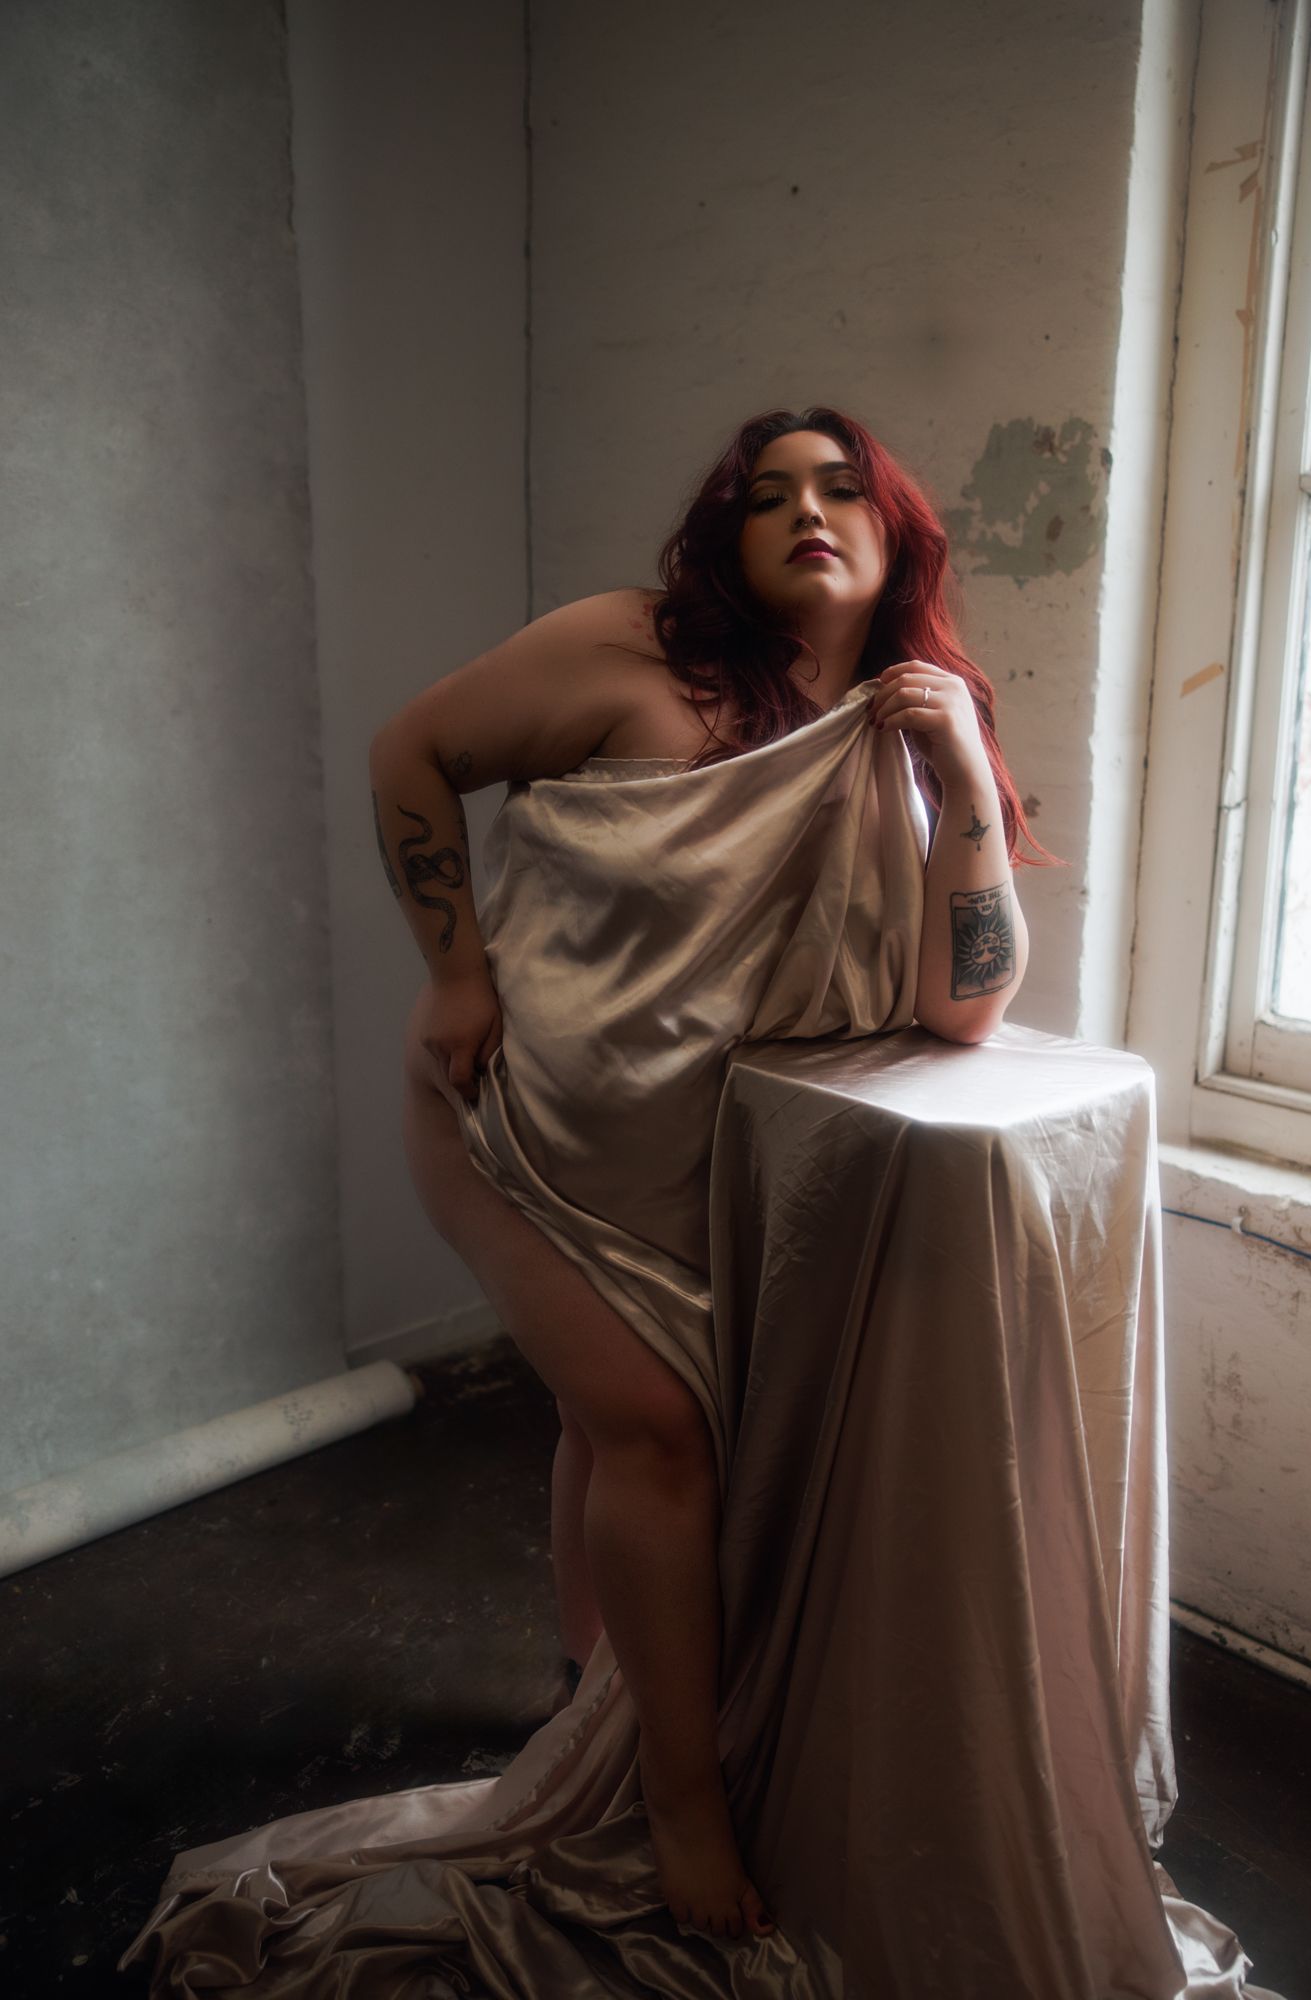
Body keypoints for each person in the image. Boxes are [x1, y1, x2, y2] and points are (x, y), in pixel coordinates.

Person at [366, 405, 1048, 1944]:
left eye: (837, 487)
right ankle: (679, 1809)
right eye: (763, 496)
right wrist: (455, 974)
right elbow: (411, 751)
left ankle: (588, 1683)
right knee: (658, 1433)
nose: (803, 510)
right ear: (724, 541)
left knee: (608, 1423)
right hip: (515, 1118)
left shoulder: (909, 717)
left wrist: (952, 764)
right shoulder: (629, 653)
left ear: (895, 534)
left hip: (676, 1164)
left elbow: (965, 1000)